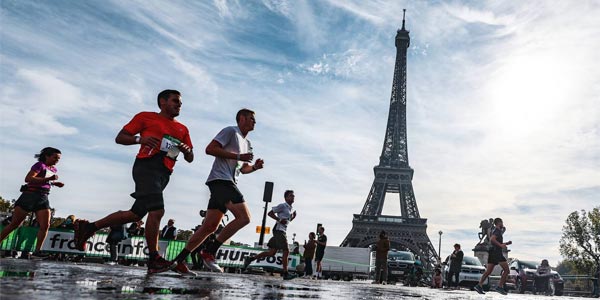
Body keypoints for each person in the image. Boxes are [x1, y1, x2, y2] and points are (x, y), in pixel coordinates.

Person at [73, 89, 194, 274]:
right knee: (157, 211)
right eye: (175, 101)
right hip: (146, 167)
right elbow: (120, 137)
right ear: (162, 102)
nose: (179, 105)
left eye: (180, 102)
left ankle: (89, 227)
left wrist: (186, 150)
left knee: (135, 215)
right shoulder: (146, 117)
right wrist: (140, 139)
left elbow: (191, 157)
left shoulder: (182, 129)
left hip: (165, 172)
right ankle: (154, 259)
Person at [171, 108, 263, 274]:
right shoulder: (230, 131)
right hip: (221, 180)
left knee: (209, 227)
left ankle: (178, 261)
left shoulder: (247, 143)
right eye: (251, 118)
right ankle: (210, 251)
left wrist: (254, 167)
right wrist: (238, 157)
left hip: (227, 181)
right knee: (244, 217)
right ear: (241, 119)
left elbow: (242, 169)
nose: (254, 122)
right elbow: (210, 149)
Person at [0, 147, 64, 258]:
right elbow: (28, 178)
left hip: (43, 197)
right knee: (15, 224)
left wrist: (55, 183)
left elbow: (46, 180)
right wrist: (47, 180)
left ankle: (37, 251)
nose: (57, 160)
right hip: (29, 196)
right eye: (55, 158)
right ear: (47, 156)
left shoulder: (53, 169)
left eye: (58, 159)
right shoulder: (39, 165)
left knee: (45, 225)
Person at [243, 190, 297, 280]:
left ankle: (250, 259)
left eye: (293, 196)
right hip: (279, 231)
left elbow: (286, 221)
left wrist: (292, 217)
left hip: (282, 231)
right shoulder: (282, 206)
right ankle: (285, 273)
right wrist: (279, 220)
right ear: (286, 197)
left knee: (271, 253)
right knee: (286, 251)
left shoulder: (290, 208)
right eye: (291, 195)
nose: (293, 197)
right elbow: (270, 213)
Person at [474, 217, 512, 295]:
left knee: (488, 271)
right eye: (502, 222)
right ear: (499, 223)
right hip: (497, 253)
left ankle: (479, 285)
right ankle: (499, 287)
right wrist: (501, 245)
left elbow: (495, 241)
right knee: (507, 270)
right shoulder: (497, 231)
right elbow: (492, 239)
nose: (503, 224)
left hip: (492, 252)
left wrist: (506, 243)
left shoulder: (495, 231)